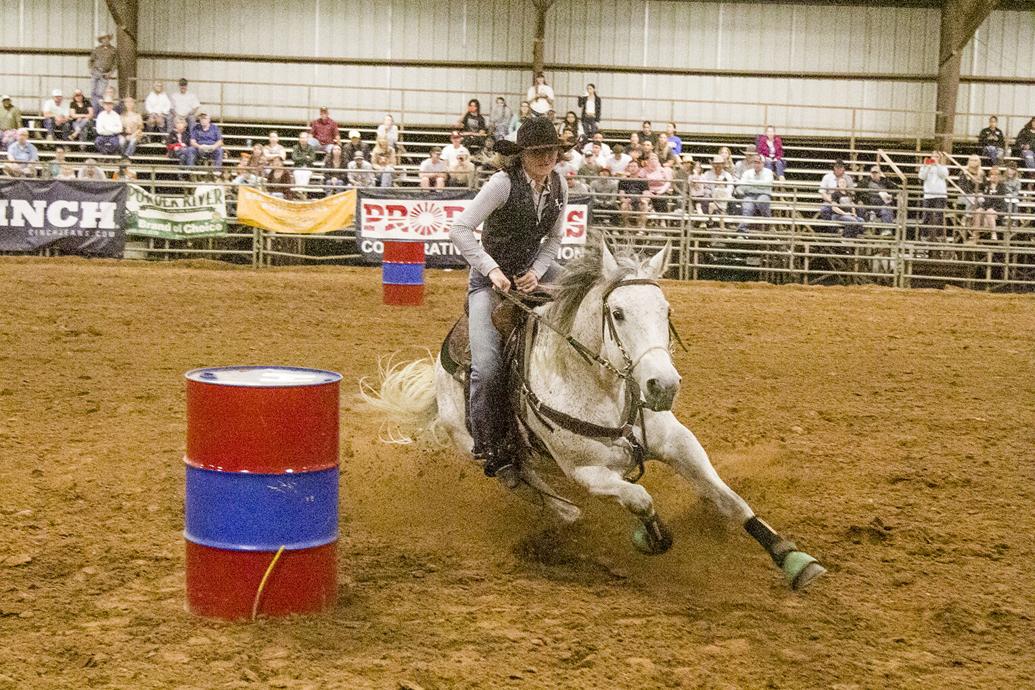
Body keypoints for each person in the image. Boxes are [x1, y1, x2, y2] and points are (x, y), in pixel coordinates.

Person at [448, 117, 570, 478]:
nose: (547, 158)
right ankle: (488, 443)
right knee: (487, 368)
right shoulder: (502, 184)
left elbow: (554, 239)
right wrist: (491, 270)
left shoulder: (559, 184)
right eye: (538, 152)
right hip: (489, 282)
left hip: (534, 271)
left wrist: (538, 270)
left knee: (587, 300)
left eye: (552, 151)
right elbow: (460, 228)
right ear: (521, 155)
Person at [736, 155, 774, 232]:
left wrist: (750, 183)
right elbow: (742, 186)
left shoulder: (768, 172)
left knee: (761, 201)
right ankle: (742, 229)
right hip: (749, 195)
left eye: (759, 162)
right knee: (747, 207)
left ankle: (768, 222)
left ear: (763, 163)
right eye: (755, 162)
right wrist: (760, 185)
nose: (757, 164)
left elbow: (767, 184)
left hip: (764, 194)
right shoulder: (747, 173)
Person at [918, 151, 949, 241]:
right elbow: (922, 177)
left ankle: (939, 236)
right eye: (933, 156)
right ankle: (924, 236)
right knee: (926, 216)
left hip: (940, 194)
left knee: (939, 216)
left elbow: (943, 175)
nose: (934, 158)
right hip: (928, 195)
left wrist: (937, 165)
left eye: (937, 157)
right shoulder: (925, 167)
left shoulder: (943, 167)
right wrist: (927, 167)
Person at [974, 165, 1006, 241]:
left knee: (989, 212)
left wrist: (991, 206)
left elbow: (999, 200)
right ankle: (975, 233)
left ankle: (993, 234)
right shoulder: (986, 185)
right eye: (992, 174)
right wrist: (980, 194)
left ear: (999, 176)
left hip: (998, 209)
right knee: (978, 211)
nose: (993, 176)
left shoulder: (1002, 186)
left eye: (996, 175)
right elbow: (979, 189)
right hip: (986, 207)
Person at [89, 34, 117, 113]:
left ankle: (97, 110)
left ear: (109, 39)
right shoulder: (97, 49)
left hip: (105, 73)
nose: (105, 40)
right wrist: (91, 69)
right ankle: (93, 110)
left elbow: (115, 63)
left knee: (100, 93)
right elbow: (91, 60)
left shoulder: (113, 50)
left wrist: (110, 73)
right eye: (103, 39)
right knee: (93, 91)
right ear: (101, 40)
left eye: (106, 38)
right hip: (96, 71)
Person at [957, 154, 985, 230]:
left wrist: (979, 191)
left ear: (979, 162)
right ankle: (966, 217)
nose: (973, 162)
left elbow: (984, 186)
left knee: (981, 200)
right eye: (971, 160)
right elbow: (962, 186)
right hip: (964, 195)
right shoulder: (964, 172)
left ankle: (973, 220)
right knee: (972, 199)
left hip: (977, 195)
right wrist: (971, 192)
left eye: (975, 160)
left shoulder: (981, 173)